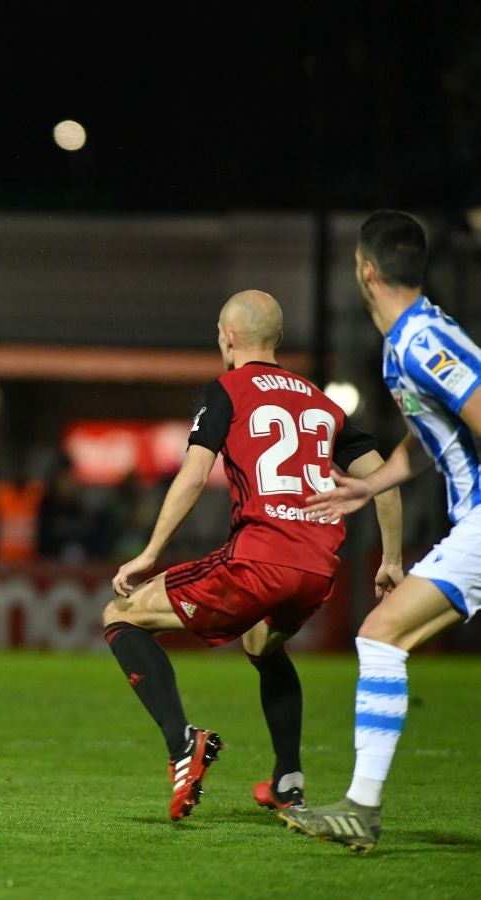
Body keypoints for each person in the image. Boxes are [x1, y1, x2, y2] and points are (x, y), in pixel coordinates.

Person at [105, 290, 403, 822]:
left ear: (228, 336)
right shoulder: (321, 400)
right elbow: (386, 483)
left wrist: (149, 552)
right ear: (278, 340)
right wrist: (391, 561)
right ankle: (288, 782)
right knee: (263, 643)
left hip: (259, 561)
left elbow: (194, 475)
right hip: (316, 570)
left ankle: (183, 745)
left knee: (120, 617)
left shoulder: (227, 389)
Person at [280, 210, 480, 852]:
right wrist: (370, 484)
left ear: (366, 270)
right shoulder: (414, 337)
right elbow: (430, 435)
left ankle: (361, 808)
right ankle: (360, 806)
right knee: (389, 634)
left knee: (381, 633)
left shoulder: (421, 342)